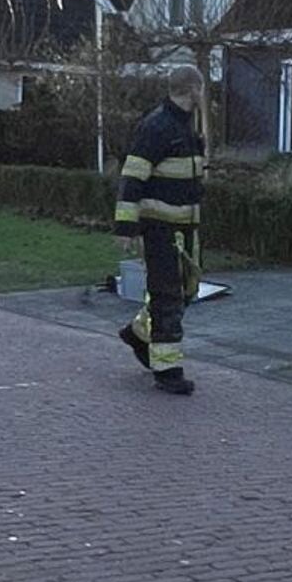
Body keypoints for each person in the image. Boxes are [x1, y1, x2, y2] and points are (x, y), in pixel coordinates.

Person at [114, 65, 207, 396]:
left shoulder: (187, 128)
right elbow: (132, 177)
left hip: (185, 227)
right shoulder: (158, 127)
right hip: (162, 228)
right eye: (201, 90)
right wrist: (126, 227)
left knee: (185, 291)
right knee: (167, 295)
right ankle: (168, 370)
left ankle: (140, 335)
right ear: (193, 90)